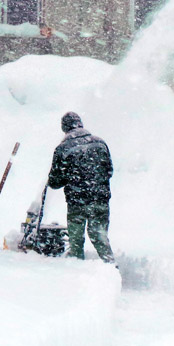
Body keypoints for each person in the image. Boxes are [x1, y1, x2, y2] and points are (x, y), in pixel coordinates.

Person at [47, 112, 115, 263]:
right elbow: (109, 170)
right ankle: (111, 266)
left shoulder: (62, 149)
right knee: (99, 236)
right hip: (100, 198)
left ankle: (77, 270)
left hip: (77, 202)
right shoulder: (100, 142)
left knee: (76, 241)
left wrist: (72, 179)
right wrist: (95, 182)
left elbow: (54, 182)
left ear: (64, 128)